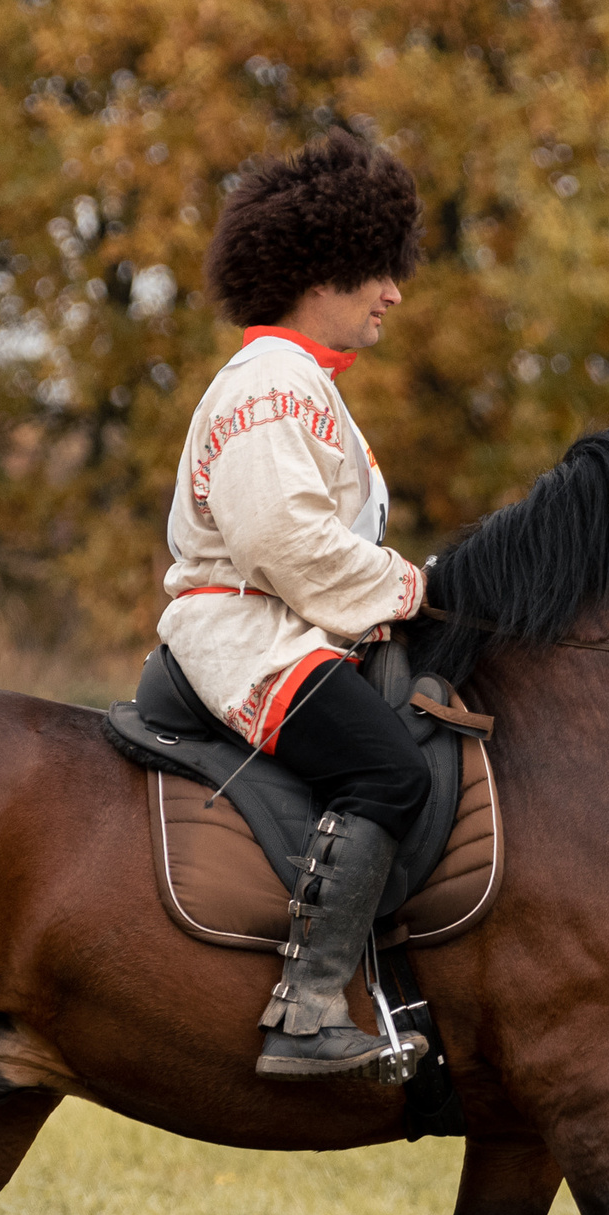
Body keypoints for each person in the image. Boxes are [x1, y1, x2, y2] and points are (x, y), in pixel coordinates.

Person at [160, 130, 432, 1082]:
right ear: (323, 270)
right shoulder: (275, 385)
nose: (394, 292)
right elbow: (285, 544)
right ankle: (309, 1012)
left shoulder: (299, 384)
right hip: (246, 632)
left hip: (277, 621)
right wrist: (412, 588)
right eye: (380, 270)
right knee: (390, 770)